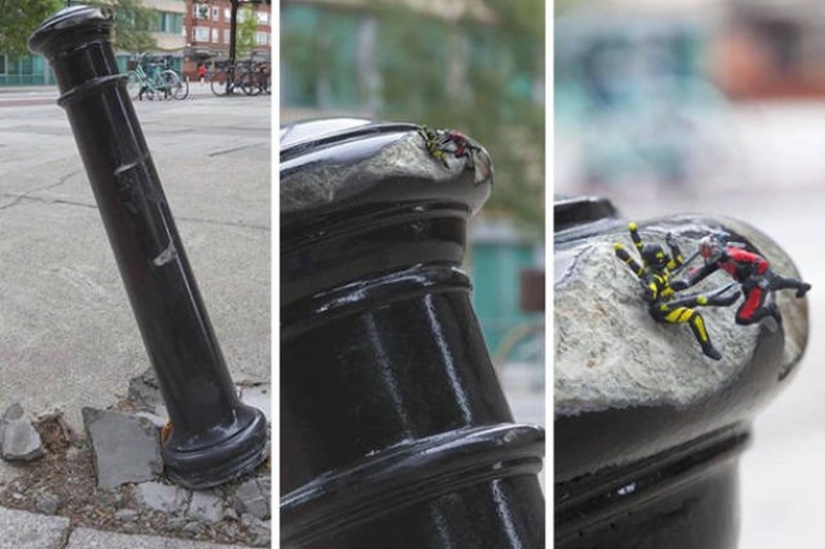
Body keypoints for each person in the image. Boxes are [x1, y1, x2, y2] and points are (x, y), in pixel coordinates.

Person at [615, 223, 739, 360]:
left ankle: (725, 301)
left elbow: (678, 262)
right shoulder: (654, 277)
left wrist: (673, 246)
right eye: (661, 256)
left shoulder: (662, 269)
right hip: (663, 309)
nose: (664, 257)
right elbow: (650, 290)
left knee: (692, 296)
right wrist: (649, 291)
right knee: (695, 312)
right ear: (657, 260)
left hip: (669, 299)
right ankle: (707, 347)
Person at [674, 234, 811, 325]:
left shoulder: (734, 255)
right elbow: (704, 270)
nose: (712, 261)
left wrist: (754, 278)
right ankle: (801, 286)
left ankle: (770, 309)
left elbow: (762, 262)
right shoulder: (719, 259)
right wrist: (688, 281)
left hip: (758, 283)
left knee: (743, 318)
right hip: (749, 281)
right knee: (780, 282)